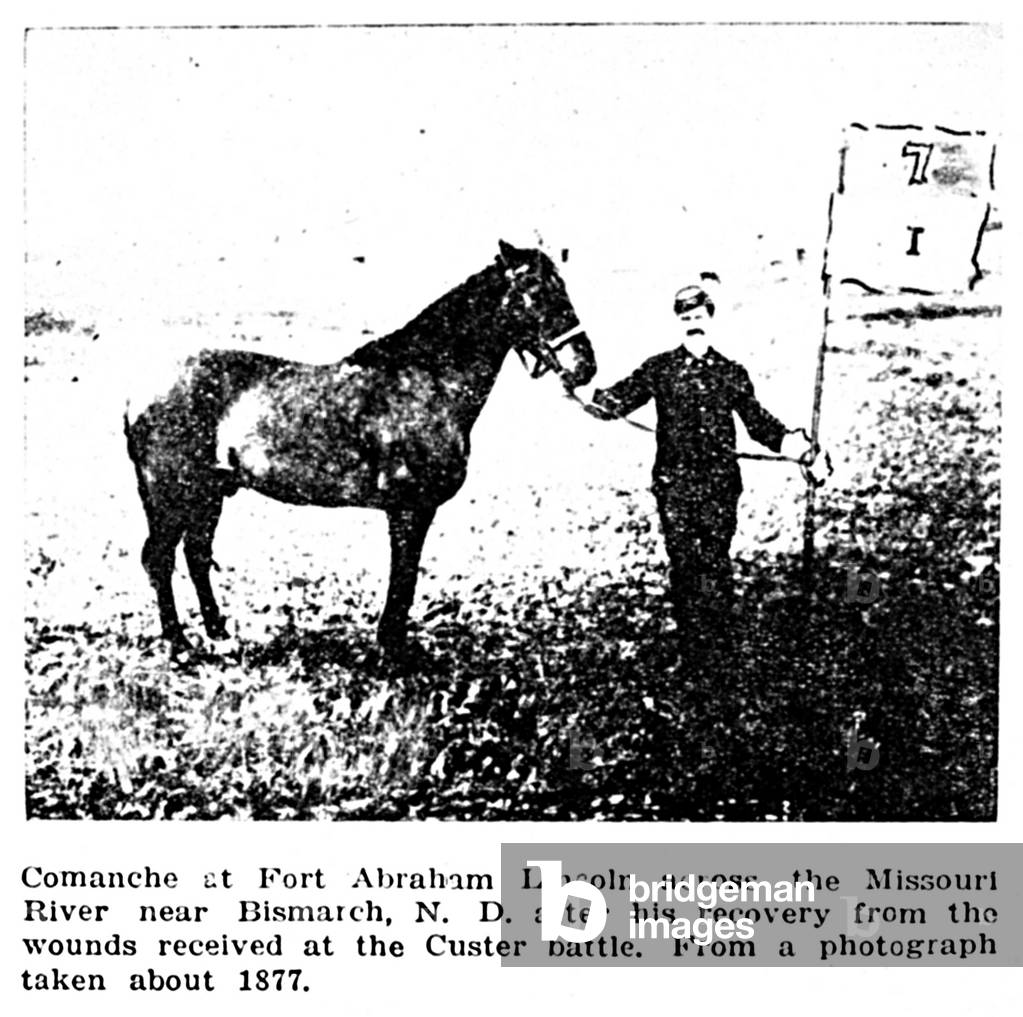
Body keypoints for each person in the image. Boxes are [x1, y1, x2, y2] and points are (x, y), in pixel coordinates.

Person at [586, 283, 812, 672]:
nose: (693, 324)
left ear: (711, 318)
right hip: (674, 487)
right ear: (678, 321)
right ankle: (693, 650)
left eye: (699, 317)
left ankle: (719, 647)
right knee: (685, 565)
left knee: (714, 563)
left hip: (719, 486)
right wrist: (586, 394)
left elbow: (759, 424)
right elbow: (617, 400)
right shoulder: (659, 369)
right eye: (686, 318)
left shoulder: (730, 372)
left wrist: (798, 447)